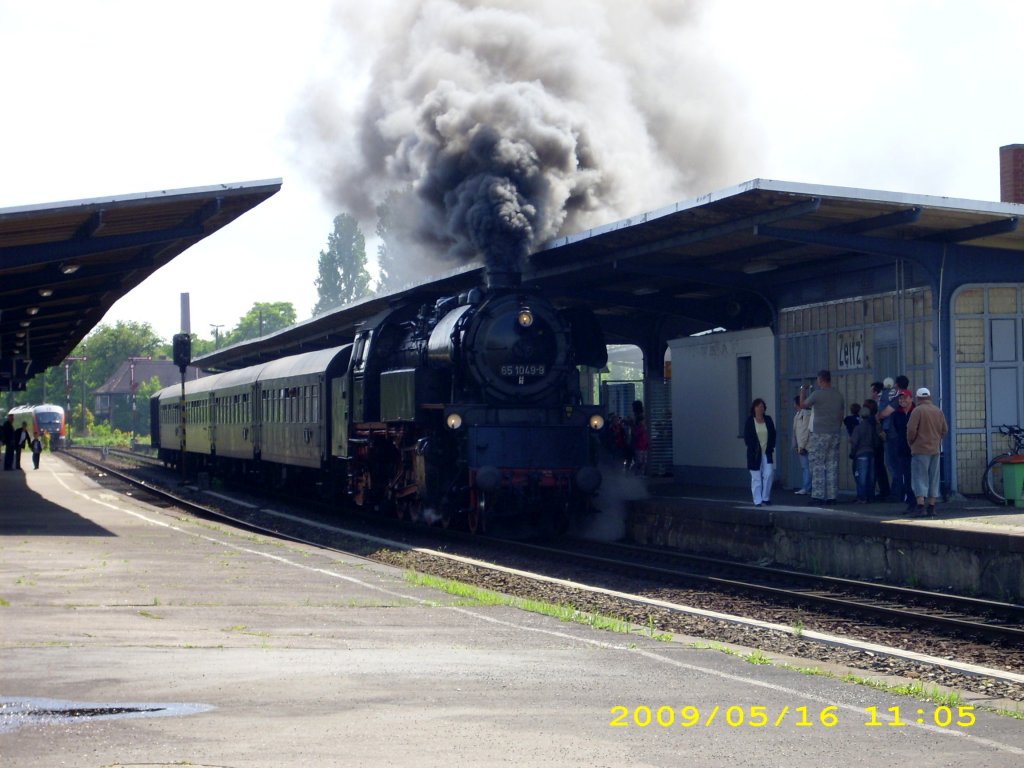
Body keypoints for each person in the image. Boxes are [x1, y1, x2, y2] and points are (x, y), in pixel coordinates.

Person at [799, 369, 846, 504]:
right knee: (832, 464)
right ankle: (832, 496)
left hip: (820, 433)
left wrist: (803, 390)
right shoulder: (838, 395)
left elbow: (803, 405)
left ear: (820, 380)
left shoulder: (817, 394)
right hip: (835, 432)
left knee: (817, 463)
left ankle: (818, 496)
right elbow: (841, 415)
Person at [906, 387, 948, 517]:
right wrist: (936, 439)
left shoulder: (917, 411)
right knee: (933, 478)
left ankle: (920, 506)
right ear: (929, 397)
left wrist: (912, 443)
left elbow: (911, 430)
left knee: (920, 477)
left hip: (920, 449)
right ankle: (932, 506)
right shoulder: (938, 411)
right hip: (935, 449)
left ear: (918, 398)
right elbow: (944, 430)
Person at [878, 375, 910, 500]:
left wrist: (878, 417)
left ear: (896, 384)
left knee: (893, 464)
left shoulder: (898, 397)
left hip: (892, 434)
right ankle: (899, 491)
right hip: (901, 434)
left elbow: (886, 412)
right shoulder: (907, 398)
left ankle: (898, 492)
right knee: (899, 464)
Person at [743, 398, 776, 507]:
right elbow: (747, 437)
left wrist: (771, 446)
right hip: (754, 453)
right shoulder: (750, 421)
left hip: (767, 451)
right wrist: (753, 448)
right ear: (754, 408)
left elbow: (773, 434)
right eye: (758, 406)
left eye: (762, 406)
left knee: (769, 473)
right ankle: (757, 500)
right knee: (756, 477)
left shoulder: (768, 419)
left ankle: (766, 497)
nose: (760, 409)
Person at [849, 400, 879, 503]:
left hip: (860, 453)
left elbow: (854, 441)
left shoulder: (858, 428)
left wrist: (852, 453)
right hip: (871, 453)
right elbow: (876, 440)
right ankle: (870, 496)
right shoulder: (871, 427)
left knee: (860, 477)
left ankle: (862, 497)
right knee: (870, 477)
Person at [890, 389, 915, 513]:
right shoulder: (896, 414)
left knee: (916, 476)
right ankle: (910, 501)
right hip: (902, 449)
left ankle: (920, 501)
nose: (902, 400)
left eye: (905, 398)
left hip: (916, 449)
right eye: (900, 399)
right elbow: (896, 428)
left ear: (911, 399)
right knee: (906, 476)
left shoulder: (916, 412)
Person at [868, 382, 891, 499]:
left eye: (872, 391)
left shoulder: (881, 403)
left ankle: (885, 491)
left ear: (876, 392)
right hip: (880, 437)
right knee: (880, 465)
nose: (871, 393)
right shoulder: (880, 402)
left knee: (882, 465)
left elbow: (879, 418)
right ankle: (884, 490)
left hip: (881, 437)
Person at [791, 395, 812, 494]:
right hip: (801, 444)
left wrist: (802, 446)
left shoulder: (806, 414)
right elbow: (795, 432)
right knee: (805, 467)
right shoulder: (798, 414)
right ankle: (806, 486)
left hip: (806, 445)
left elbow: (804, 431)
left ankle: (807, 487)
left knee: (807, 467)